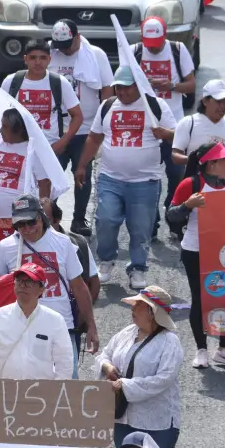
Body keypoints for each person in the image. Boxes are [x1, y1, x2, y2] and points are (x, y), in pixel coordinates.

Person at [76, 66, 176, 289]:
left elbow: (179, 136)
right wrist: (82, 165)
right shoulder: (108, 106)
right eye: (118, 87)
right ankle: (107, 260)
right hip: (110, 178)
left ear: (138, 85)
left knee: (141, 228)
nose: (121, 92)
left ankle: (138, 269)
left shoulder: (156, 106)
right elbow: (94, 138)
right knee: (105, 220)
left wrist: (165, 133)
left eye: (126, 88)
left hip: (145, 182)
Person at [168, 142, 225, 369]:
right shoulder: (191, 183)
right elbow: (171, 216)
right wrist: (187, 205)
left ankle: (223, 350)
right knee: (200, 299)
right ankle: (201, 349)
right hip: (195, 250)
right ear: (212, 164)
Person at [0, 194, 102, 356]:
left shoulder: (64, 243)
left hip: (61, 328)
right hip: (20, 330)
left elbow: (79, 287)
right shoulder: (5, 247)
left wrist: (91, 326)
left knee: (65, 380)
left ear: (42, 218)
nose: (27, 228)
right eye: (21, 224)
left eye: (31, 222)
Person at [96, 286, 184, 448]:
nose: (132, 308)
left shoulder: (170, 342)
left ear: (152, 312)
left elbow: (164, 379)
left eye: (138, 305)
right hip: (122, 418)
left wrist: (124, 384)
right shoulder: (127, 332)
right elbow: (105, 354)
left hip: (157, 424)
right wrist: (107, 367)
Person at [50, 20, 114, 235]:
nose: (65, 50)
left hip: (86, 129)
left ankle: (79, 219)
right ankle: (50, 217)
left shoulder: (96, 54)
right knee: (51, 177)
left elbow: (107, 89)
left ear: (78, 36)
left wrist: (102, 122)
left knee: (82, 176)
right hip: (56, 130)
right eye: (62, 46)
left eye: (69, 44)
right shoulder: (51, 53)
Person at [134, 17, 195, 220]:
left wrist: (171, 86)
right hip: (144, 125)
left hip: (173, 124)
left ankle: (172, 211)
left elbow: (192, 85)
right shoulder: (135, 52)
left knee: (176, 174)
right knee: (148, 177)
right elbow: (123, 85)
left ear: (165, 36)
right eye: (149, 45)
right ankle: (153, 221)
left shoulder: (178, 50)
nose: (152, 49)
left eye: (157, 44)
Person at [0, 262, 72, 379]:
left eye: (28, 282)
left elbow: (65, 363)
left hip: (43, 394)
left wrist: (55, 393)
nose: (22, 285)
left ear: (41, 289)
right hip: (5, 392)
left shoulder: (55, 320)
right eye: (19, 281)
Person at [1, 40, 83, 170]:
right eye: (33, 58)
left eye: (43, 58)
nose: (38, 62)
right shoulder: (11, 81)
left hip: (49, 150)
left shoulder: (59, 83)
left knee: (46, 189)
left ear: (49, 59)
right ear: (25, 59)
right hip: (16, 150)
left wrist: (62, 142)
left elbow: (78, 116)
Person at [0, 107, 52, 246]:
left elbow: (45, 183)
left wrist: (40, 215)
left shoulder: (33, 151)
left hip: (18, 220)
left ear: (19, 130)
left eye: (5, 127)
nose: (0, 130)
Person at [172, 79, 225, 168]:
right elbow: (175, 155)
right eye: (218, 101)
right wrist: (195, 160)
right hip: (196, 181)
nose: (223, 106)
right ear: (205, 101)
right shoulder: (188, 123)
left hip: (224, 182)